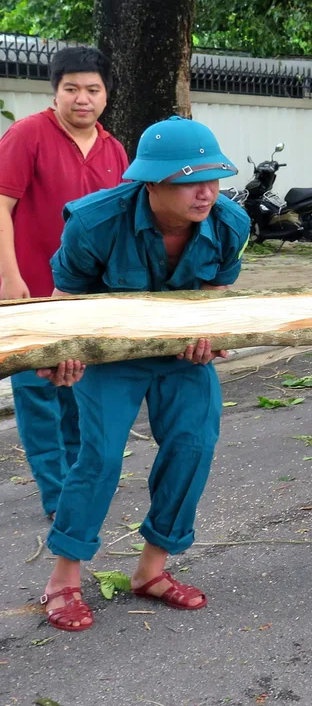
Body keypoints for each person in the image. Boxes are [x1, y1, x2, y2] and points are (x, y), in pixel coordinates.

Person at [37, 116, 251, 631]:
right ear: (151, 183)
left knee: (194, 445)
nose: (206, 193)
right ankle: (63, 581)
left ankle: (151, 572)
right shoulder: (93, 222)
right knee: (102, 456)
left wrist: (210, 335)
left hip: (182, 356)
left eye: (214, 178)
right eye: (189, 181)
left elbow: (215, 296)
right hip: (112, 353)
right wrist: (62, 354)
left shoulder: (229, 224)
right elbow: (63, 302)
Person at [0, 46, 129, 520]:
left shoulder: (115, 149)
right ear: (54, 92)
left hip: (87, 297)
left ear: (105, 94)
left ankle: (80, 483)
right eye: (71, 88)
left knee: (82, 392)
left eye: (92, 89)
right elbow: (1, 207)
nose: (82, 98)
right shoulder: (27, 134)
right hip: (31, 290)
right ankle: (57, 496)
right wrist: (9, 277)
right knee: (38, 396)